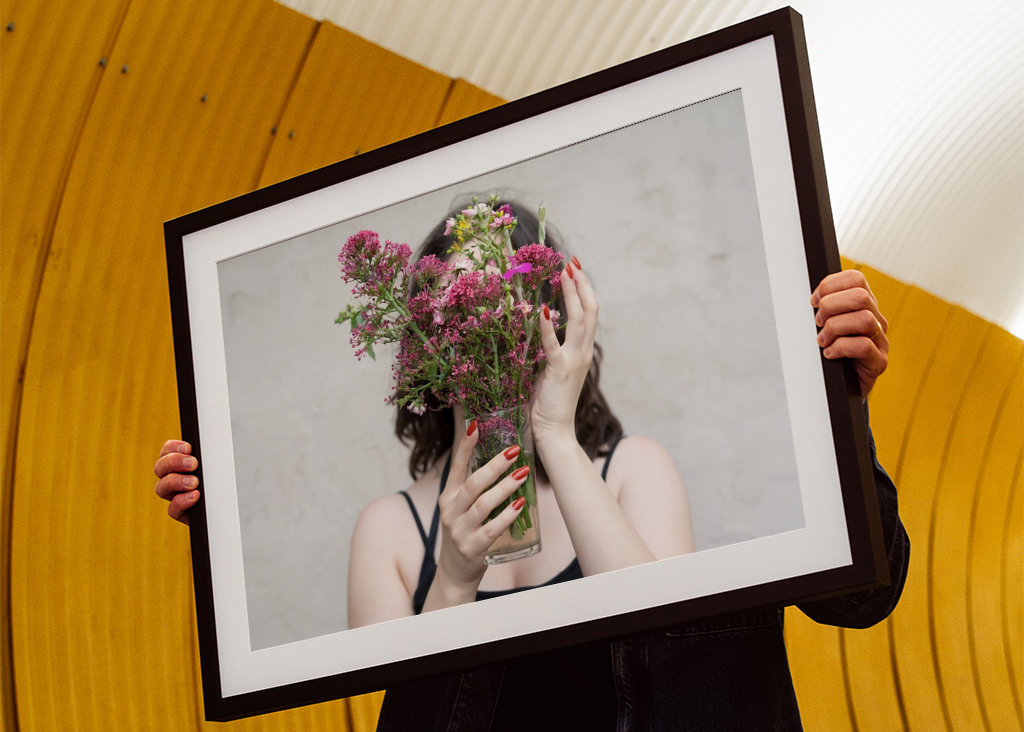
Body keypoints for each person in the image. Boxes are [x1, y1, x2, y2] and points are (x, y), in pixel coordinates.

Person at [154, 203, 908, 730]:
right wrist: (451, 576)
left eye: (503, 299)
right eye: (455, 305)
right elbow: (410, 721)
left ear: (550, 314)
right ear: (423, 337)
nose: (480, 326)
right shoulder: (389, 529)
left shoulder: (631, 469)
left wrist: (549, 427)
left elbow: (671, 661)